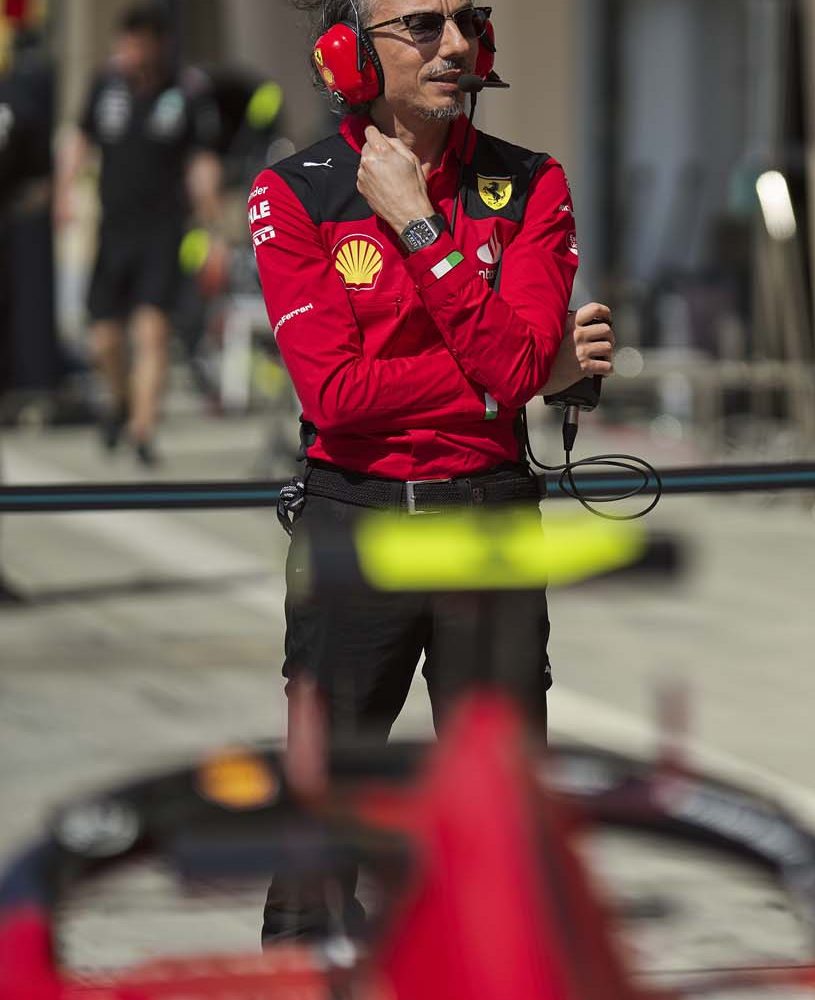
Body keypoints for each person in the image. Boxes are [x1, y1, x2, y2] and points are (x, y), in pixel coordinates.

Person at [252, 0, 614, 942]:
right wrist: (520, 372)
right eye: (422, 24)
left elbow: (516, 366)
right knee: (317, 848)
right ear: (348, 53)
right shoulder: (293, 192)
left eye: (468, 19)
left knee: (505, 838)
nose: (456, 46)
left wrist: (418, 226)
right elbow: (335, 395)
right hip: (354, 520)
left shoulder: (532, 182)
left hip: (489, 522)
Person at [55, 3, 222, 467]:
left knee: (151, 333)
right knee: (103, 339)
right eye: (125, 42)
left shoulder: (186, 92)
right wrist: (65, 194)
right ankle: (122, 401)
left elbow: (201, 160)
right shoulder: (104, 85)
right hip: (113, 230)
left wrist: (210, 220)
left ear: (158, 45)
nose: (130, 51)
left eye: (139, 42)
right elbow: (79, 139)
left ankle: (143, 431)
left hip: (162, 232)